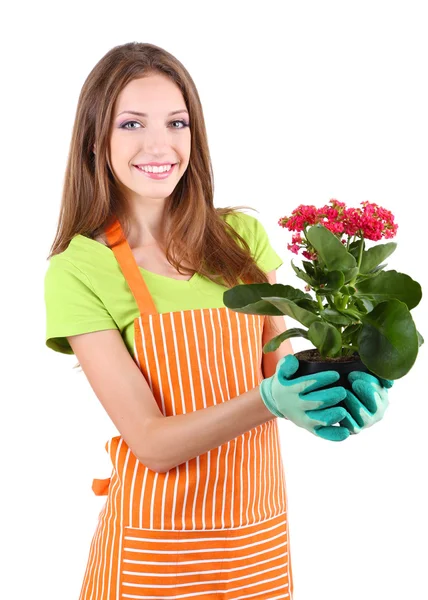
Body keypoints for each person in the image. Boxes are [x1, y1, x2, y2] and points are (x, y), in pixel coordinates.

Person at [44, 42, 392, 600]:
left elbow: (283, 369)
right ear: (95, 140)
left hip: (254, 544)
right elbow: (152, 443)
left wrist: (347, 393)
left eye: (176, 123)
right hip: (155, 555)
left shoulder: (240, 240)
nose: (159, 145)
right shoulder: (79, 269)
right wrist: (272, 402)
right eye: (131, 123)